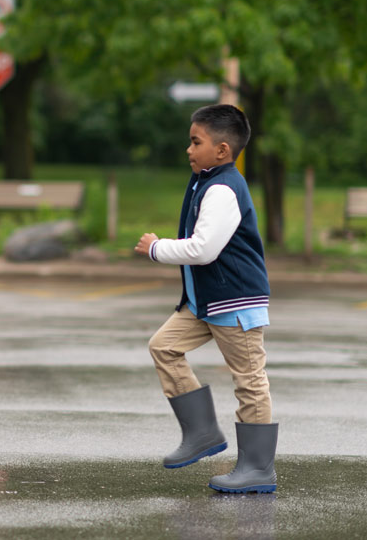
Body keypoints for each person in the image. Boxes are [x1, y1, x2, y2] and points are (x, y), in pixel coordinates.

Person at [135, 104, 277, 494]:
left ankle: (257, 467)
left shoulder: (223, 188)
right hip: (207, 303)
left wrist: (156, 249)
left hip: (235, 303)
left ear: (223, 150)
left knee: (249, 381)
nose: (188, 149)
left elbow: (203, 250)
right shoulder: (206, 180)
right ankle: (201, 433)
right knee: (163, 346)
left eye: (196, 142)